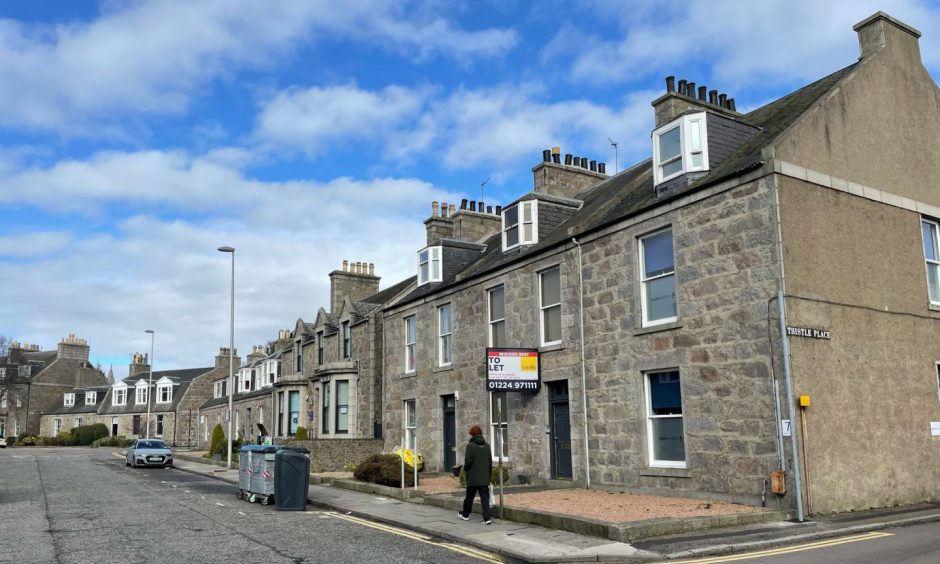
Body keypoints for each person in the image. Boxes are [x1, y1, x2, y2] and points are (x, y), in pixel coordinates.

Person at [457, 425, 493, 525]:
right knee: (485, 498)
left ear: (472, 435)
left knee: (469, 497)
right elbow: (490, 462)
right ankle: (487, 518)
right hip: (484, 477)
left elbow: (468, 461)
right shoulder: (487, 446)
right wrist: (488, 475)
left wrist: (465, 469)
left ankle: (465, 514)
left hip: (473, 477)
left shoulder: (470, 446)